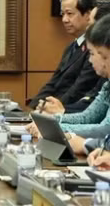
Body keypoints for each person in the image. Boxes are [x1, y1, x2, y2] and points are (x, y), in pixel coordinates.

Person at [27, 15, 110, 144]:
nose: (90, 59)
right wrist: (49, 121)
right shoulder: (107, 85)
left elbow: (104, 131)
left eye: (93, 54)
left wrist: (53, 129)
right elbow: (88, 117)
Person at [27, 0, 99, 111]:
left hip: (71, 112)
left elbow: (79, 88)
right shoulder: (71, 47)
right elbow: (53, 82)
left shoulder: (96, 50)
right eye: (62, 14)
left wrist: (52, 108)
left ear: (88, 15)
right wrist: (35, 106)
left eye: (70, 14)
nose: (64, 20)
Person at [39, 0, 110, 115]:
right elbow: (90, 113)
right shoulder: (72, 46)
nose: (87, 29)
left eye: (91, 24)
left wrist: (60, 112)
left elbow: (102, 127)